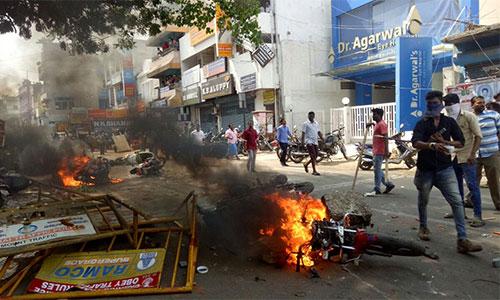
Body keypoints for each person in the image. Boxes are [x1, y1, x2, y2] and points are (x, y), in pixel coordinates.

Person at [411, 90, 481, 253]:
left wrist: (445, 142)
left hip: (445, 168)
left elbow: (461, 141)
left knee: (457, 201)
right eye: (429, 104)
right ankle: (423, 227)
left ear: (441, 105)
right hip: (425, 169)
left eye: (435, 103)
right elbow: (415, 142)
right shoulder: (422, 123)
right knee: (423, 200)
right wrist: (431, 145)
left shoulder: (449, 122)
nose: (432, 106)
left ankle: (462, 240)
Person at [443, 94, 484, 227]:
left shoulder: (468, 116)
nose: (447, 106)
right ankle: (459, 212)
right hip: (454, 156)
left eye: (449, 103)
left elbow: (478, 137)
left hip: (467, 156)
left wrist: (472, 154)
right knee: (456, 188)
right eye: (446, 103)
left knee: (472, 186)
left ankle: (478, 216)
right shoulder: (447, 119)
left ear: (457, 103)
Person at [471, 96, 500, 211]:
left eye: (483, 103)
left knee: (494, 180)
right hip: (475, 154)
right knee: (473, 180)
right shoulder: (470, 117)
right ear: (472, 104)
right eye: (479, 103)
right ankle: (471, 200)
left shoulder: (493, 115)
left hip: (491, 152)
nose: (482, 105)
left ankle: (498, 204)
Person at [365, 108, 395, 196]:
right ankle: (389, 184)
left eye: (374, 114)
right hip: (376, 150)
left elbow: (385, 138)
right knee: (377, 169)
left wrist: (387, 151)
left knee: (377, 170)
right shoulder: (378, 124)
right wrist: (372, 124)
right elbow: (379, 132)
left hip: (380, 150)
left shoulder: (382, 124)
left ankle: (377, 188)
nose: (373, 116)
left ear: (379, 115)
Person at [301, 111, 323, 176]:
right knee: (313, 155)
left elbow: (318, 132)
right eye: (310, 116)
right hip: (309, 141)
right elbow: (303, 133)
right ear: (308, 116)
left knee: (316, 155)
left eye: (312, 116)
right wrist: (302, 142)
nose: (311, 117)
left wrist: (322, 138)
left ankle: (306, 164)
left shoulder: (316, 123)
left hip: (315, 141)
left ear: (314, 116)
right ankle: (314, 171)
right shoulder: (305, 124)